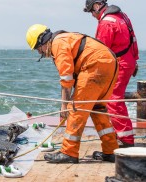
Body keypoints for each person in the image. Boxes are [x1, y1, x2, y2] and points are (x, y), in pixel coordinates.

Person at [26, 24, 119, 163]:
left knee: (76, 110)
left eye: (38, 49)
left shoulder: (58, 43)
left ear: (42, 41)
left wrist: (64, 106)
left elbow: (67, 78)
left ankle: (69, 152)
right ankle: (111, 150)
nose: (40, 53)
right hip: (110, 63)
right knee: (98, 109)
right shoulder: (65, 39)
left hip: (94, 65)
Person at [83, 0, 139, 148]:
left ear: (96, 6)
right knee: (114, 98)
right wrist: (135, 60)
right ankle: (118, 133)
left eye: (91, 12)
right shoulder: (122, 15)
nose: (92, 15)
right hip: (128, 61)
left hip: (119, 64)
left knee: (113, 99)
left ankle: (126, 139)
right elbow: (133, 38)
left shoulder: (106, 23)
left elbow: (101, 51)